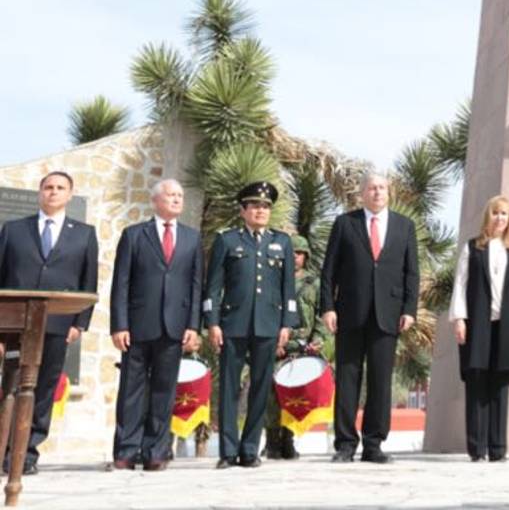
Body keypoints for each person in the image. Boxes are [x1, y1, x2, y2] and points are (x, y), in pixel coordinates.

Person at [0, 171, 98, 476]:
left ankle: (26, 453)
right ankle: (3, 447)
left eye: (60, 188)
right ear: (39, 192)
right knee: (10, 387)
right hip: (16, 325)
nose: (53, 192)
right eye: (48, 187)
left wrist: (79, 323)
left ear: (69, 194)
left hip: (57, 324)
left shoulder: (84, 233)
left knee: (43, 392)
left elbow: (88, 281)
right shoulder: (14, 230)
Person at [320, 173, 419, 464]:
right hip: (350, 313)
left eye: (382, 188)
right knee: (348, 379)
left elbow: (411, 272)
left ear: (389, 193)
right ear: (362, 193)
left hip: (387, 315)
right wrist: (328, 307)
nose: (377, 192)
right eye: (372, 188)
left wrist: (409, 309)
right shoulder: (345, 224)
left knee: (380, 381)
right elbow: (329, 271)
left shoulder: (404, 226)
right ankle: (345, 444)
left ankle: (374, 444)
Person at [110, 179, 203, 470]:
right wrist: (119, 325)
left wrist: (193, 325)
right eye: (170, 195)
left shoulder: (191, 238)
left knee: (165, 391)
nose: (176, 200)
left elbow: (196, 286)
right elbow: (121, 283)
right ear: (155, 201)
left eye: (179, 195)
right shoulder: (134, 235)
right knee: (131, 390)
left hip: (175, 326)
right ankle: (126, 450)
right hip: (137, 326)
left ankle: (156, 451)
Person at [204, 181, 298, 468]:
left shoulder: (282, 242)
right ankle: (228, 451)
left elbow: (288, 290)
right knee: (229, 388)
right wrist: (213, 323)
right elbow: (213, 288)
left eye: (266, 206)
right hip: (233, 324)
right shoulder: (228, 240)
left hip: (268, 325)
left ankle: (249, 450)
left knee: (260, 388)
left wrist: (287, 324)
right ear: (243, 210)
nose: (261, 211)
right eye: (255, 206)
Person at [449, 196, 509, 463]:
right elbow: (461, 285)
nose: (500, 218)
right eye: (496, 213)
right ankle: (477, 448)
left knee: (500, 384)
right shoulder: (473, 248)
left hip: (507, 326)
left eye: (505, 214)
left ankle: (498, 449)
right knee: (477, 382)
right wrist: (460, 319)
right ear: (488, 216)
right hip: (477, 324)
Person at [264, 234, 327, 460]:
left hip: (303, 346)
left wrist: (317, 339)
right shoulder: (270, 280)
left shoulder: (314, 283)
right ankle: (272, 441)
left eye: (299, 253)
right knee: (272, 396)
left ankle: (288, 440)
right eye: (291, 253)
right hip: (277, 345)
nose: (295, 257)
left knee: (295, 395)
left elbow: (321, 313)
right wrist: (272, 343)